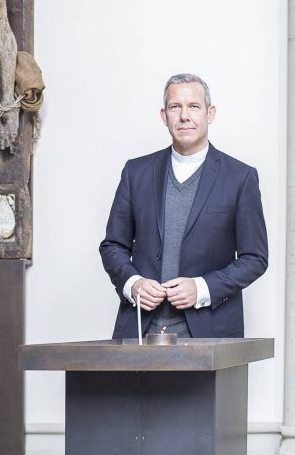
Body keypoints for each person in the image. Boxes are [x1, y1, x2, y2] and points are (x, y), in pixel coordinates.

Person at [99, 73, 268, 339]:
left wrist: (202, 288)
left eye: (194, 106)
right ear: (164, 115)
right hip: (141, 328)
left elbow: (255, 258)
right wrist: (133, 283)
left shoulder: (240, 177)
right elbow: (113, 245)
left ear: (210, 113)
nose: (184, 116)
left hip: (210, 332)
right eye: (175, 107)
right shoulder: (136, 173)